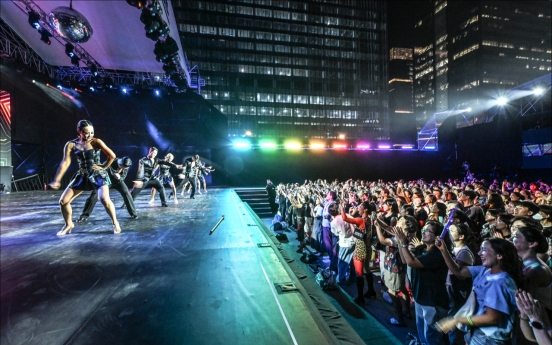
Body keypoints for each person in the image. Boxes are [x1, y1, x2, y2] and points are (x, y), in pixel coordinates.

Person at [435, 238, 525, 345]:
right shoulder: (486, 270)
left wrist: (457, 320)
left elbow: (492, 318)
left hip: (489, 338)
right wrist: (444, 250)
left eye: (484, 250)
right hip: (481, 333)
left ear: (499, 256)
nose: (479, 253)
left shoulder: (497, 282)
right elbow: (458, 271)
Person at [49, 120, 120, 235]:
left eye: (92, 133)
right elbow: (65, 162)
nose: (90, 135)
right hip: (82, 175)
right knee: (63, 201)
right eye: (86, 133)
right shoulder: (71, 144)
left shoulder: (96, 142)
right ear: (79, 131)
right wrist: (57, 180)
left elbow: (112, 156)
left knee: (104, 199)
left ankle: (115, 222)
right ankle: (69, 224)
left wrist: (104, 166)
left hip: (98, 175)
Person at [392, 220, 449, 345]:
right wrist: (400, 243)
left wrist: (402, 243)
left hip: (432, 301)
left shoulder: (437, 254)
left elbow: (412, 263)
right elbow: (405, 260)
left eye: (428, 231)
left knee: (431, 337)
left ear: (437, 236)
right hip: (420, 297)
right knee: (423, 335)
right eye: (423, 230)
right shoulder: (422, 248)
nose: (423, 232)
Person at [78, 156, 138, 222]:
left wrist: (119, 177)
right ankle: (84, 216)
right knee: (94, 195)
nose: (125, 169)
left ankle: (133, 213)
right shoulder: (110, 162)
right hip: (105, 181)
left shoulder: (126, 166)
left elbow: (123, 177)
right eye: (124, 167)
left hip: (117, 182)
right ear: (120, 164)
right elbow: (101, 172)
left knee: (126, 192)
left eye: (126, 168)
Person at [341, 200, 376, 305]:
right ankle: (371, 291)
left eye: (360, 207)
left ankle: (360, 297)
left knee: (359, 273)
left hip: (360, 248)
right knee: (367, 270)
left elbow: (344, 218)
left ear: (365, 209)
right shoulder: (370, 220)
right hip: (367, 248)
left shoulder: (361, 220)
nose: (358, 208)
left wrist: (342, 207)